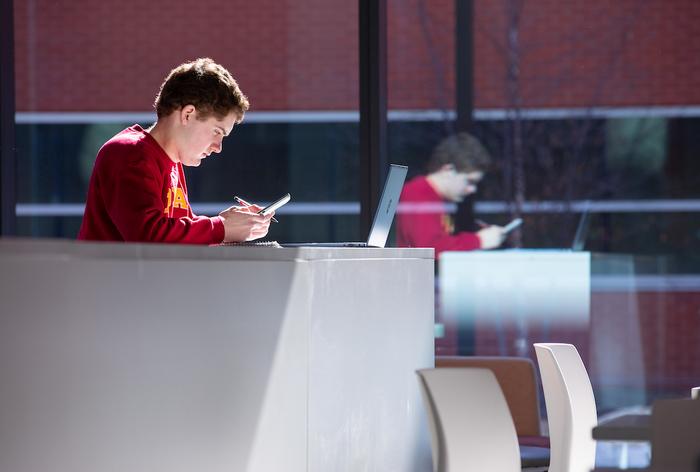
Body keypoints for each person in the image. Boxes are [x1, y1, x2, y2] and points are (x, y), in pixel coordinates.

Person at [78, 57, 272, 244]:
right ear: (188, 114)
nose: (218, 147)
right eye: (216, 132)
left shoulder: (171, 162)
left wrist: (233, 226)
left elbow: (177, 237)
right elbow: (147, 236)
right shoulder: (129, 153)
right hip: (108, 278)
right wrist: (221, 228)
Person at [396, 132, 506, 257]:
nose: (472, 189)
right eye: (469, 181)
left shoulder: (429, 196)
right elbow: (431, 248)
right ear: (448, 170)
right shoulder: (418, 195)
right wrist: (478, 241)